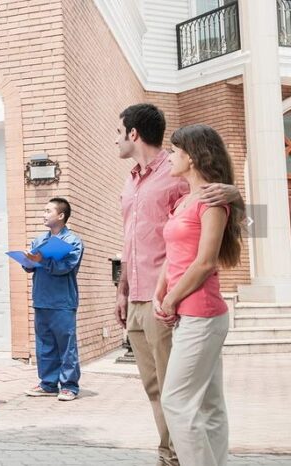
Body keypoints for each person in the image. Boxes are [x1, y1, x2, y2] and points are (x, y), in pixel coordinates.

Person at [114, 103, 240, 466]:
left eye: (118, 133)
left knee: (179, 395)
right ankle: (169, 455)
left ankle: (176, 458)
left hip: (179, 303)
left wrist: (235, 194)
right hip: (141, 296)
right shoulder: (132, 180)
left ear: (133, 133)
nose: (116, 140)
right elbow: (131, 240)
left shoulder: (177, 174)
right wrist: (122, 291)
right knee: (158, 389)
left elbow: (213, 238)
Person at [155, 124, 243, 466]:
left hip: (201, 314)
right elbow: (176, 253)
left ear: (191, 156)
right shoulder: (183, 201)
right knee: (208, 404)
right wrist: (161, 288)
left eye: (175, 151)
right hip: (189, 313)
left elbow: (205, 263)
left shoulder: (213, 200)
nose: (170, 156)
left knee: (176, 400)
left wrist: (171, 298)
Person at [21, 198, 84, 402]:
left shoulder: (73, 242)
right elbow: (30, 267)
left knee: (66, 345)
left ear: (61, 215)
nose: (43, 214)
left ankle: (69, 385)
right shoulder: (39, 241)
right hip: (41, 300)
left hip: (63, 302)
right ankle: (48, 384)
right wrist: (28, 261)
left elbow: (65, 268)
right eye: (43, 209)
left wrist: (42, 260)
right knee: (44, 345)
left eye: (48, 210)